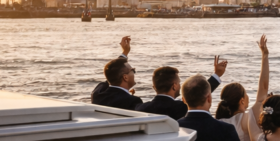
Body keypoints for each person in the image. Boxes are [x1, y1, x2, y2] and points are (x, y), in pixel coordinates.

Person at [92, 36, 225, 109]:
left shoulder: (98, 93)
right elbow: (196, 94)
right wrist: (216, 75)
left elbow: (111, 74)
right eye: (133, 70)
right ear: (125, 77)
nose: (134, 72)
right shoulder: (132, 102)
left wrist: (124, 54)